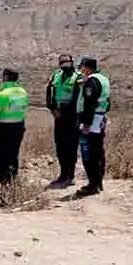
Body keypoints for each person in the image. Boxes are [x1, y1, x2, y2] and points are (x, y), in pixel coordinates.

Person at [76, 57, 111, 196]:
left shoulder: (91, 81)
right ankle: (98, 182)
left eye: (82, 67)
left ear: (87, 68)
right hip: (100, 118)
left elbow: (89, 104)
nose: (81, 70)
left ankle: (92, 184)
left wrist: (86, 124)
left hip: (91, 121)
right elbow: (107, 101)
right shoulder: (103, 79)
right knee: (98, 150)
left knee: (88, 152)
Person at [46, 54, 80, 188]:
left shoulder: (78, 77)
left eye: (67, 63)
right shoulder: (56, 76)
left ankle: (70, 175)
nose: (65, 65)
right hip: (58, 115)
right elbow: (49, 92)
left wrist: (65, 111)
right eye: (62, 63)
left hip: (72, 116)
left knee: (71, 146)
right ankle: (63, 174)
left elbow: (77, 98)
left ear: (72, 63)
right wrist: (52, 108)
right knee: (60, 145)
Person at [0, 69, 29, 186]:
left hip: (3, 127)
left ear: (6, 77)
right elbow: (25, 108)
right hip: (19, 126)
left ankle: (4, 183)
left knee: (1, 155)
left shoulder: (3, 94)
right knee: (13, 154)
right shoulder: (23, 92)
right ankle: (13, 180)